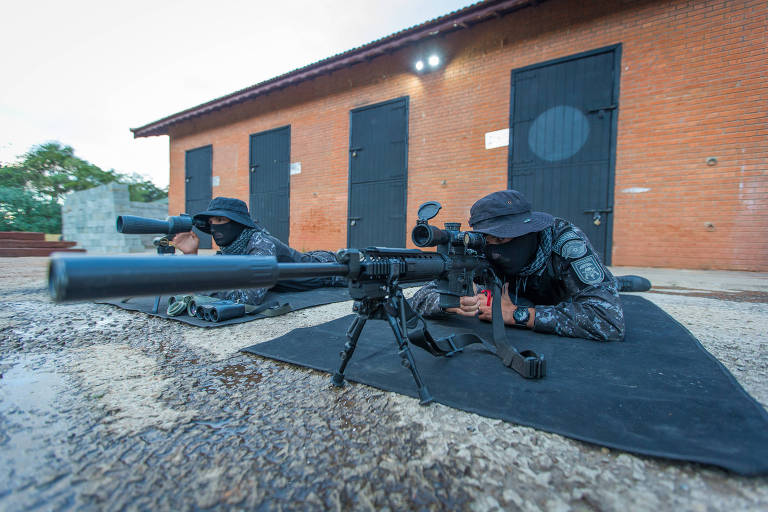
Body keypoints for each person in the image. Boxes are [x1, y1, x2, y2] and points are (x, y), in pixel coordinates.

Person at [410, 190, 637, 342]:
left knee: (606, 286)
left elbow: (609, 320)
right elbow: (421, 297)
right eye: (489, 240)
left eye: (502, 239)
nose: (495, 249)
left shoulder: (566, 242)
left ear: (529, 231)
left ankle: (619, 281)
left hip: (561, 293)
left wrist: (518, 315)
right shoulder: (477, 246)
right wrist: (450, 303)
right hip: (518, 295)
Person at [173, 197, 345, 305]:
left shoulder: (260, 243)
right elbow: (216, 272)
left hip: (329, 268)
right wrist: (191, 255)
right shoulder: (232, 246)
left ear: (237, 223)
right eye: (211, 222)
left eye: (220, 219)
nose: (214, 226)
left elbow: (251, 297)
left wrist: (200, 289)